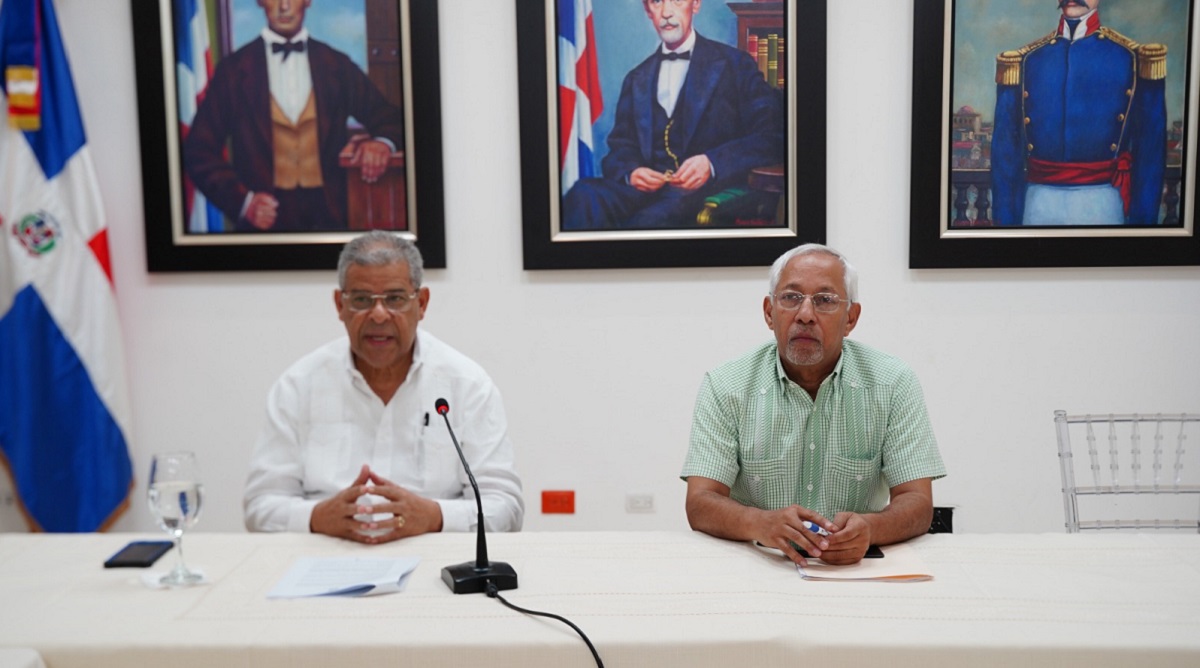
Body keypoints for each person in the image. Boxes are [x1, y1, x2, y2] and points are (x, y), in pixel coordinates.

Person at [244, 231, 524, 542]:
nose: (378, 315)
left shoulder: (466, 386)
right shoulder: (299, 385)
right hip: (325, 559)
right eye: (362, 300)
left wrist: (434, 516)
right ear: (340, 305)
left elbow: (506, 509)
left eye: (395, 299)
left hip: (436, 560)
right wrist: (317, 517)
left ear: (421, 303)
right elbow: (260, 507)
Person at [681, 243, 946, 565]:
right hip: (758, 563)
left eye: (825, 300)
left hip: (855, 567)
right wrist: (760, 523)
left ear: (851, 318)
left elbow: (917, 502)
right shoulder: (726, 385)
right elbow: (700, 502)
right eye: (791, 298)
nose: (805, 315)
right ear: (769, 312)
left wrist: (871, 529)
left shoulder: (892, 383)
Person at [561, 0, 784, 229]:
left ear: (695, 4)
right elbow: (620, 149)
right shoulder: (637, 78)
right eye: (657, 2)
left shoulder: (735, 64)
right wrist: (632, 172)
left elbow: (772, 137)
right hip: (645, 193)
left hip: (703, 194)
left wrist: (712, 163)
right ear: (648, 10)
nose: (667, 12)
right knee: (583, 195)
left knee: (647, 224)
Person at [185, 0, 405, 232]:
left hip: (330, 217)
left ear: (308, 1)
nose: (284, 6)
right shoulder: (233, 70)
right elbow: (198, 149)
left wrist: (382, 143)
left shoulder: (337, 64)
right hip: (263, 224)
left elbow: (390, 117)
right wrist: (243, 202)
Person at [991, 0, 1166, 226]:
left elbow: (1150, 156)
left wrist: (1143, 231)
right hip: (1036, 208)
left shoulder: (1133, 58)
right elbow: (1006, 157)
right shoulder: (1025, 61)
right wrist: (1006, 229)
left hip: (1106, 208)